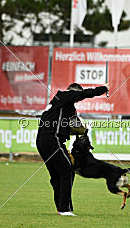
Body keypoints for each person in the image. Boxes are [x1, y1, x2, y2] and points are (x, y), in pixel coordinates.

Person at [36, 83, 108, 216]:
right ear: (73, 92)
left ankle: (61, 207)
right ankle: (64, 209)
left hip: (43, 140)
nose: (77, 100)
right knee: (67, 169)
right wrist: (102, 89)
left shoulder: (64, 105)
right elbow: (83, 94)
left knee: (57, 175)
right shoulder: (63, 95)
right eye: (76, 96)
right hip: (52, 139)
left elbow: (68, 126)